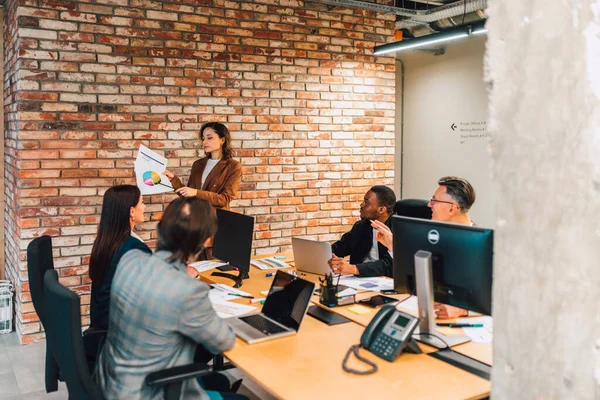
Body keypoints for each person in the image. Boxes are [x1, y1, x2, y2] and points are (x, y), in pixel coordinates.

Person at [94, 197, 247, 400]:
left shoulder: (130, 259)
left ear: (161, 228)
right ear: (207, 240)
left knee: (218, 381)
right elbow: (223, 342)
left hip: (110, 382)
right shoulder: (188, 291)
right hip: (147, 393)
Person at [371, 176, 476, 319]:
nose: (429, 205)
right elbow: (418, 274)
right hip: (425, 314)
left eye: (434, 200)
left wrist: (463, 310)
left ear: (452, 208)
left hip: (459, 326)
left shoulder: (480, 244)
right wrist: (393, 245)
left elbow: (499, 297)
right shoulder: (434, 237)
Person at [88, 185, 150, 333]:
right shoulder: (133, 247)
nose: (145, 206)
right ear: (131, 211)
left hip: (103, 330)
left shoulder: (105, 242)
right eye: (142, 202)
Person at [164, 122, 242, 210]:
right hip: (196, 216)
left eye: (209, 138)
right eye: (203, 138)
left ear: (222, 140)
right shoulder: (198, 164)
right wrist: (173, 180)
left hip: (216, 218)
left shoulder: (233, 166)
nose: (204, 142)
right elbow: (189, 194)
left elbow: (224, 199)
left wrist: (196, 193)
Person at [328, 185, 396, 277]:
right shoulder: (361, 226)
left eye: (366, 203)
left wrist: (353, 269)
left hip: (385, 282)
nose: (361, 205)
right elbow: (342, 247)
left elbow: (389, 265)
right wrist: (325, 254)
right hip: (358, 281)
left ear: (381, 209)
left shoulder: (397, 230)